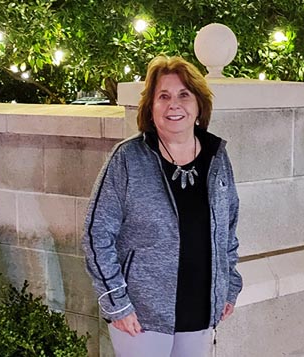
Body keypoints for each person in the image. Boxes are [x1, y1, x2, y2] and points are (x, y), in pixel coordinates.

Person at [82, 55, 242, 357]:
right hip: (141, 315)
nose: (174, 104)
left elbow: (229, 231)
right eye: (163, 96)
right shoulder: (127, 158)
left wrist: (229, 286)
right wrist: (118, 302)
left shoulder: (216, 157)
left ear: (198, 104)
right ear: (150, 108)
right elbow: (96, 235)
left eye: (184, 94)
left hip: (201, 308)